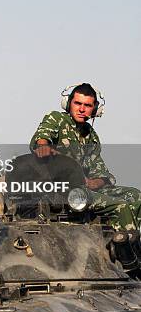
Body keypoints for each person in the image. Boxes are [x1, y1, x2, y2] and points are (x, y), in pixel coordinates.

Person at [30, 83, 141, 230]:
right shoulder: (57, 119)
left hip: (85, 190)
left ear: (94, 109)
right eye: (77, 103)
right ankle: (126, 248)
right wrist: (43, 146)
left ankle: (125, 241)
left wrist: (96, 182)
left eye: (87, 105)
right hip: (62, 191)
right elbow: (43, 135)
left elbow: (101, 172)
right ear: (68, 104)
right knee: (120, 207)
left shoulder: (91, 136)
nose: (82, 109)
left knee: (137, 196)